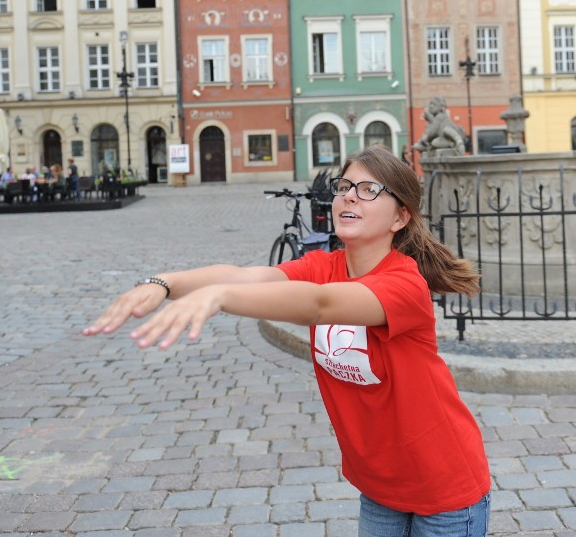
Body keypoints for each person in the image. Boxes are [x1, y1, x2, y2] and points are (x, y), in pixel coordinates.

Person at [83, 145, 490, 536]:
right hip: (381, 484)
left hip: (444, 485)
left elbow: (319, 305)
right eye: (344, 186)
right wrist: (165, 282)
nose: (350, 197)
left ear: (400, 217)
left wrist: (219, 298)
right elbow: (246, 275)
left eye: (369, 191)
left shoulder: (404, 283)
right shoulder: (323, 266)